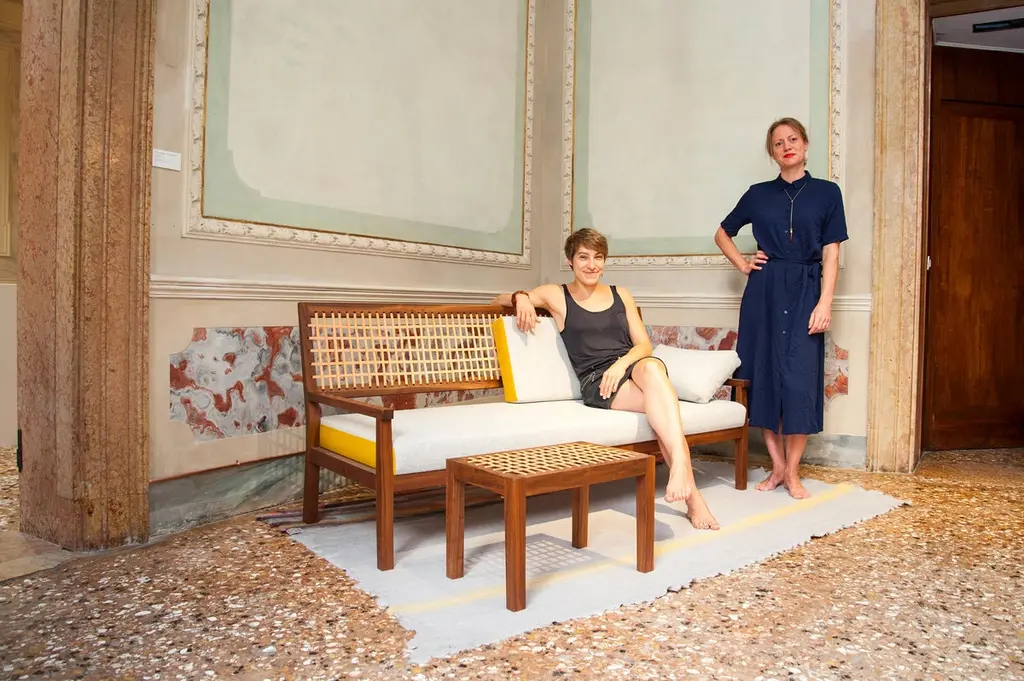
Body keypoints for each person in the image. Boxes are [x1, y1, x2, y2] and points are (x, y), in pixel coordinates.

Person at [492, 228, 719, 530]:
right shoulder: (557, 295)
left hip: (629, 366)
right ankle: (694, 498)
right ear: (570, 260)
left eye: (598, 258)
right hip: (598, 381)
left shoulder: (620, 294)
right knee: (663, 407)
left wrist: (620, 365)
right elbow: (498, 298)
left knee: (653, 369)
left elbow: (643, 345)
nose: (591, 265)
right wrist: (520, 297)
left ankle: (679, 469)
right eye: (583, 257)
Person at [713, 117, 848, 499]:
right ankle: (777, 467)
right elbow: (722, 232)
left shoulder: (827, 193)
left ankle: (792, 471)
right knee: (764, 376)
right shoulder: (757, 194)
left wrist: (825, 301)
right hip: (765, 292)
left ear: (805, 145)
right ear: (772, 153)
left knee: (800, 381)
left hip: (807, 289)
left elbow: (832, 253)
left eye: (792, 139)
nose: (786, 146)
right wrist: (743, 265)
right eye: (778, 143)